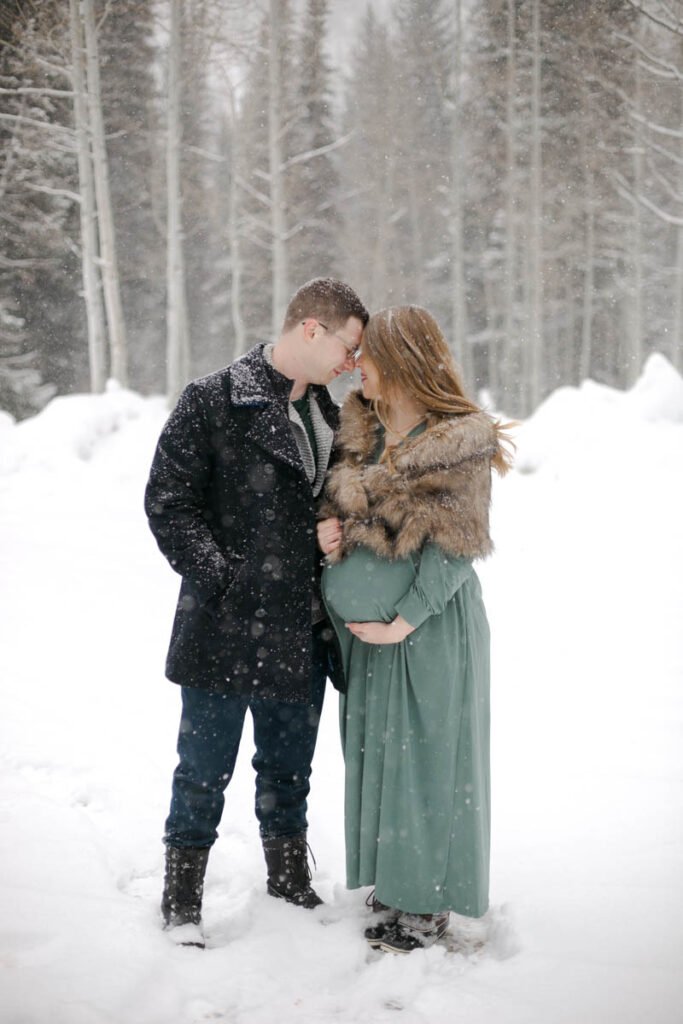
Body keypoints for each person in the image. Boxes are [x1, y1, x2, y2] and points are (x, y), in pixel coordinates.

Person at [145, 277, 368, 947]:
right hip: (224, 626)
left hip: (302, 629)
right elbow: (169, 505)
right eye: (348, 345)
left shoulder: (332, 415)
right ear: (311, 329)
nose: (352, 361)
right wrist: (225, 578)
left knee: (288, 770)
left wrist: (333, 533)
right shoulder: (212, 399)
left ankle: (289, 880)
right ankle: (182, 901)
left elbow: (330, 505)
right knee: (202, 772)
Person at [317, 305, 512, 954]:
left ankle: (425, 902)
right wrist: (326, 529)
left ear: (399, 361)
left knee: (429, 761)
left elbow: (456, 546)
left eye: (366, 355)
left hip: (427, 627)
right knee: (381, 758)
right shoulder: (361, 428)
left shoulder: (457, 440)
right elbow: (336, 506)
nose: (355, 367)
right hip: (369, 640)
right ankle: (396, 882)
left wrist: (404, 619)